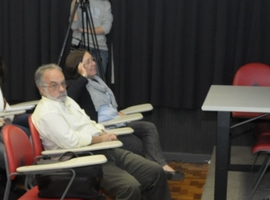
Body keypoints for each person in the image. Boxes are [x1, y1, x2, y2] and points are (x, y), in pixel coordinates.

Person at [32, 64, 176, 200]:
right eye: (54, 85)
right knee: (130, 188)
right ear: (42, 90)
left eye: (63, 83)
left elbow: (88, 123)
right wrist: (100, 138)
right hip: (80, 161)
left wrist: (102, 133)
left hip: (102, 149)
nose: (62, 89)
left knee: (155, 172)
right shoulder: (47, 112)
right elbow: (70, 142)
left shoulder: (67, 101)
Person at [64, 49, 183, 180]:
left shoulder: (97, 81)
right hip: (105, 128)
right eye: (88, 61)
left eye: (93, 60)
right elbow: (70, 98)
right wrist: (83, 77)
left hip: (117, 120)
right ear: (78, 67)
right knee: (138, 145)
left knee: (148, 127)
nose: (93, 63)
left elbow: (107, 105)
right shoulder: (75, 84)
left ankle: (161, 167)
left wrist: (117, 112)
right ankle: (152, 177)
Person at [69, 0, 113, 80]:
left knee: (97, 83)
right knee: (77, 82)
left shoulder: (104, 3)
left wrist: (83, 30)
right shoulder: (77, 1)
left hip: (99, 48)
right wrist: (75, 1)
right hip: (79, 47)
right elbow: (74, 26)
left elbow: (106, 28)